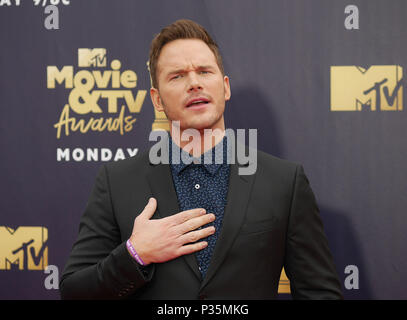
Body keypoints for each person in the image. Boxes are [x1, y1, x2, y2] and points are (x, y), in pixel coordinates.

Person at [60, 19, 343, 300]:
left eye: (204, 71)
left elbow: (319, 294)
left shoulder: (284, 182)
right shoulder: (117, 181)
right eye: (177, 76)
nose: (194, 83)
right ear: (157, 100)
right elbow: (75, 292)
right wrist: (136, 254)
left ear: (225, 87)